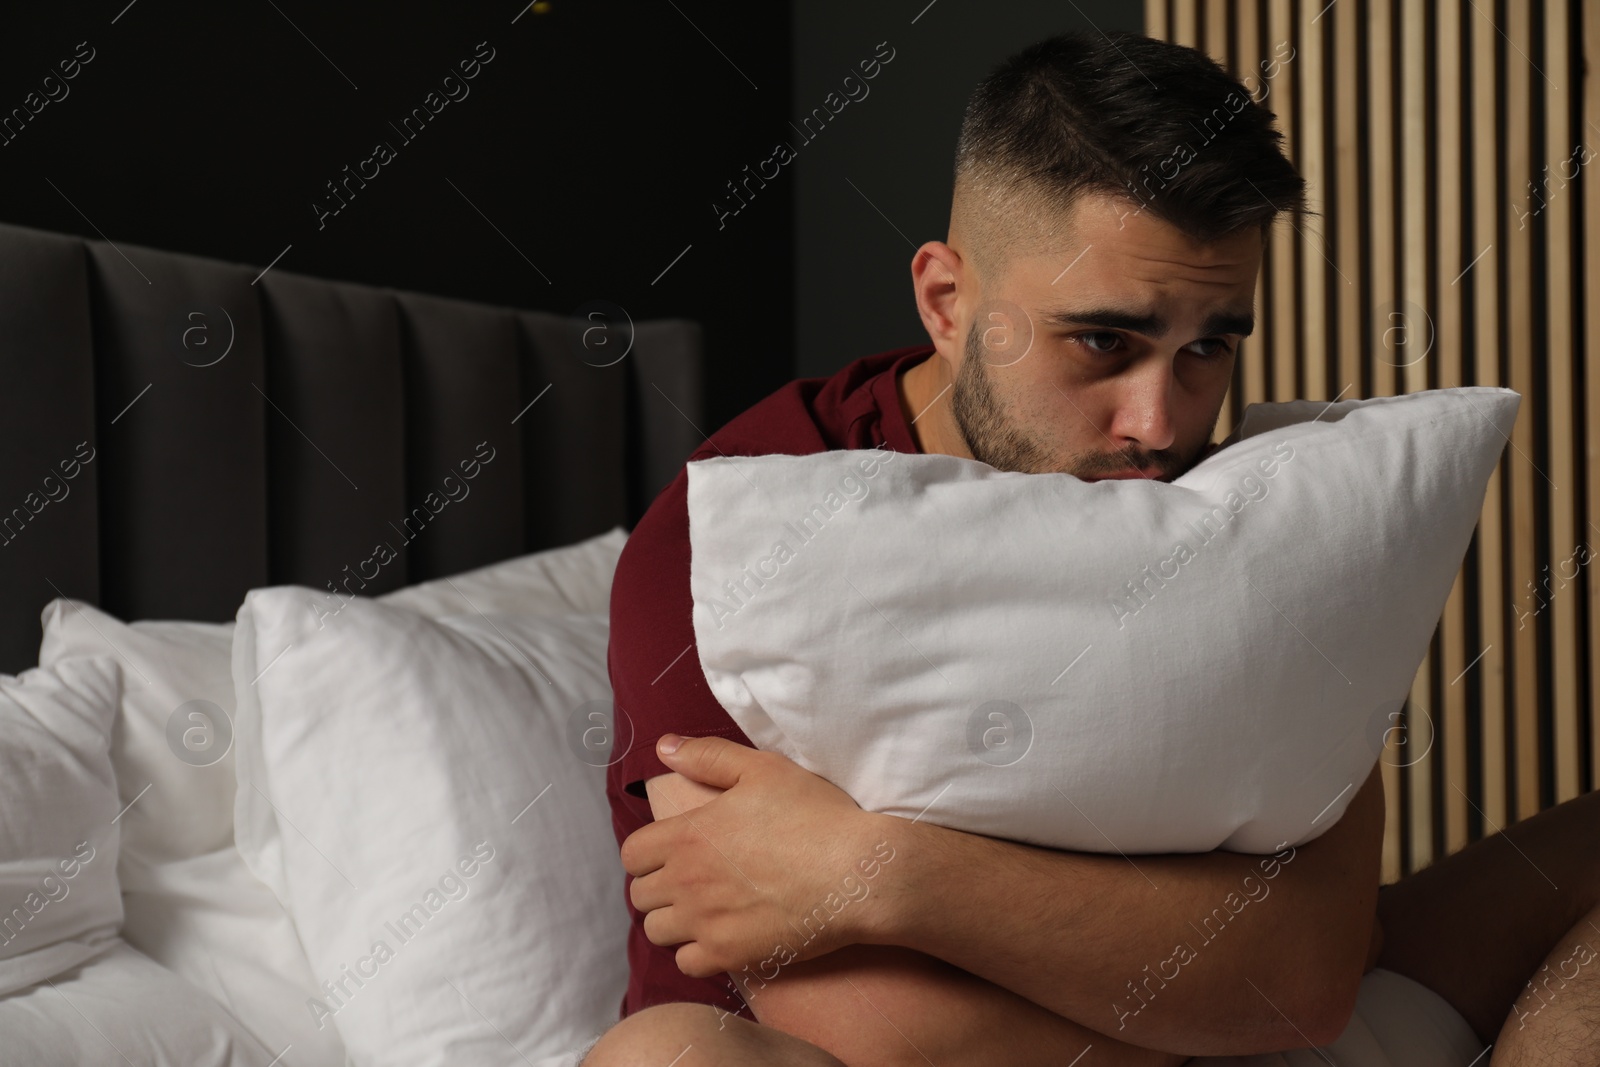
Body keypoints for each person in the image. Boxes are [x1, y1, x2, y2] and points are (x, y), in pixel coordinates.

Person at [584, 29, 1600, 1067]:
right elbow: (870, 1027)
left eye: (1207, 345)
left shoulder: (1251, 494)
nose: (1160, 425)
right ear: (946, 300)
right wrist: (1229, 988)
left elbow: (1313, 963)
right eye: (1103, 342)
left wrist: (883, 867)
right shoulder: (739, 541)